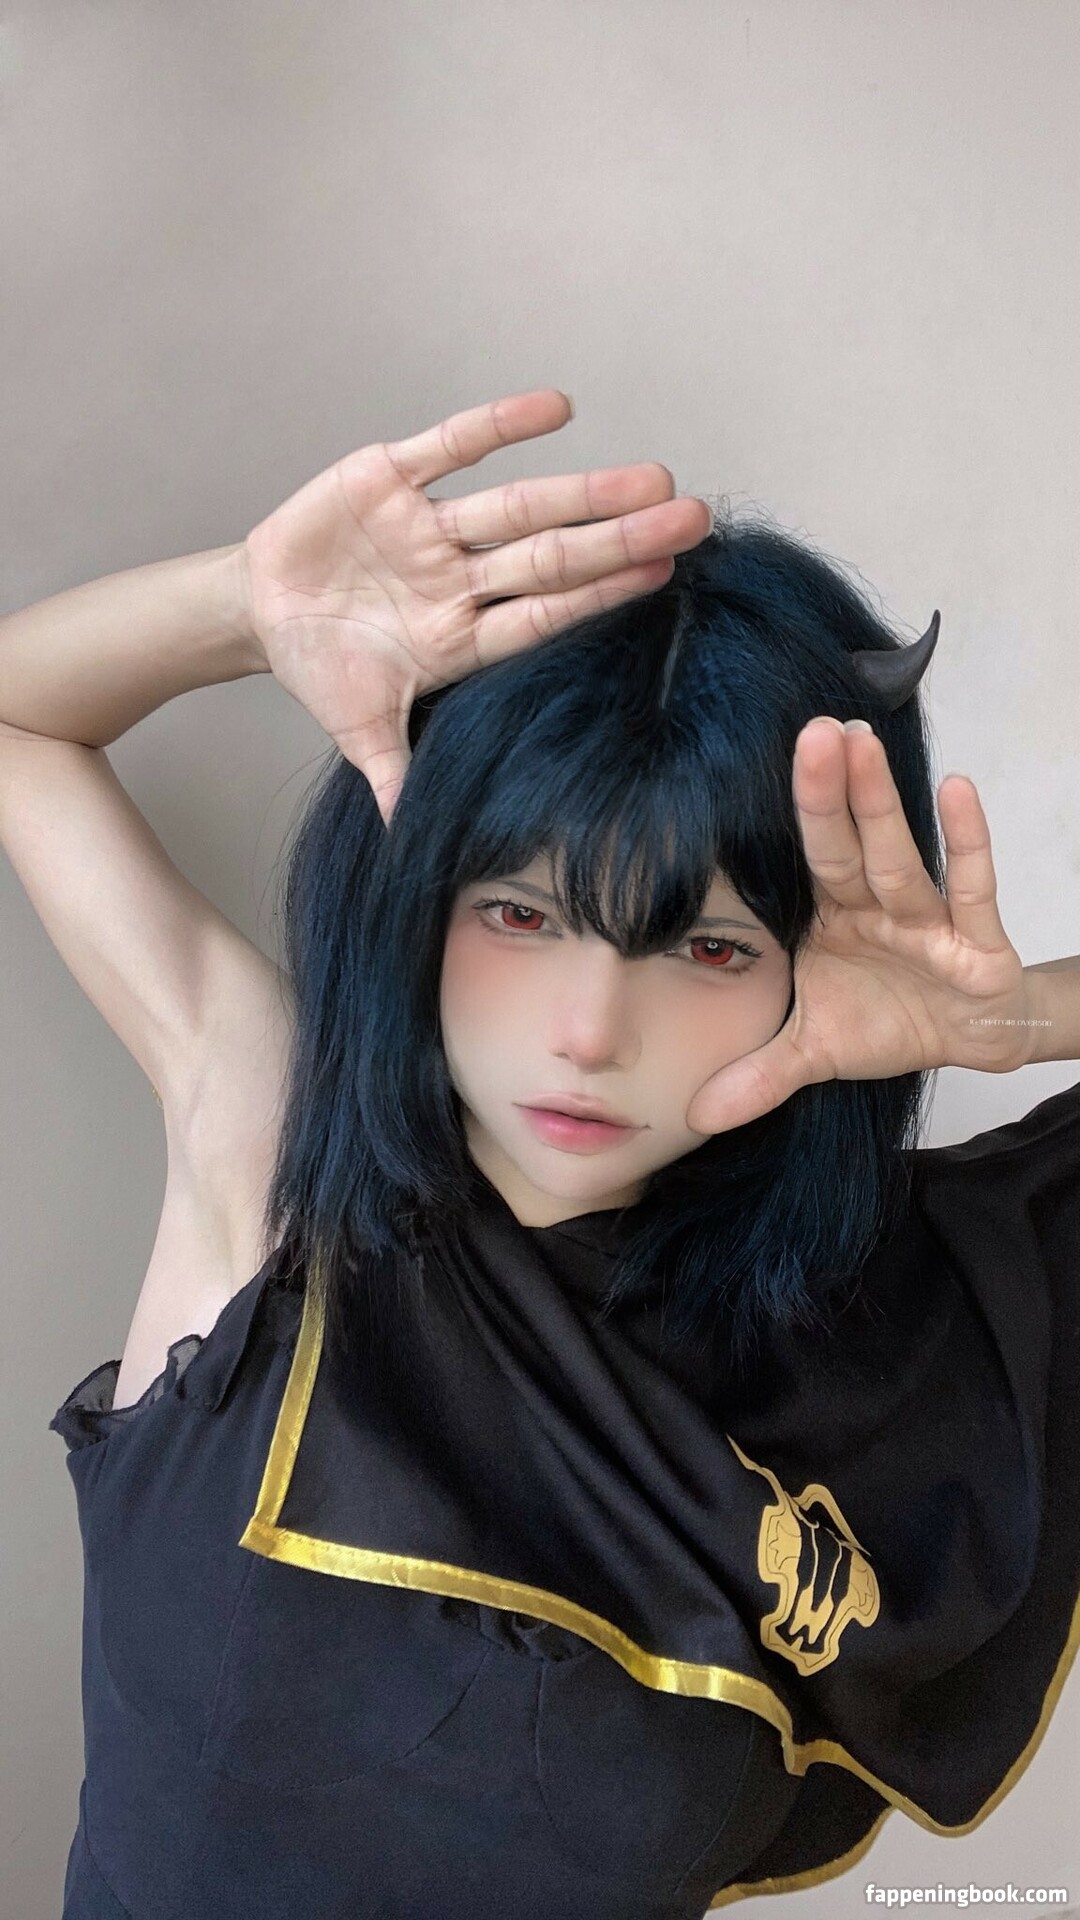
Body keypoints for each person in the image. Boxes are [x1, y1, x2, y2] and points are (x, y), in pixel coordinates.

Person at [2, 387, 1077, 1918]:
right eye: (521, 913)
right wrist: (248, 606)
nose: (589, 1033)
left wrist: (1022, 1019)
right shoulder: (272, 1158)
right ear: (414, 896)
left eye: (706, 946)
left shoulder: (896, 1324)